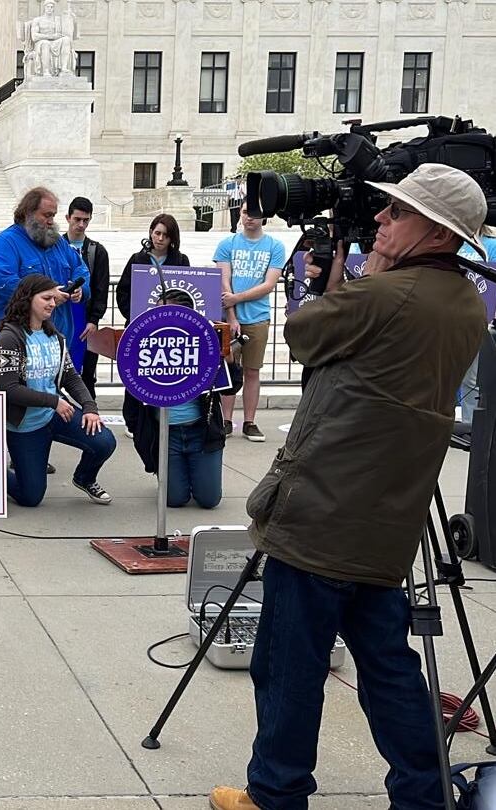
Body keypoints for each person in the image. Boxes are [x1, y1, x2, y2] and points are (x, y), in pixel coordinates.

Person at [210, 164, 491, 810]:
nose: (381, 222)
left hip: (320, 520)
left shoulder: (385, 295)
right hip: (383, 524)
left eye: (395, 213)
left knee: (287, 669)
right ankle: (422, 795)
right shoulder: (464, 306)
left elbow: (304, 334)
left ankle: (274, 796)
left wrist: (351, 272)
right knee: (389, 671)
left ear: (436, 232)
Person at [0, 274, 115, 508]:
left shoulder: (55, 337)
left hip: (56, 413)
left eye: (54, 298)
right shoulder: (9, 337)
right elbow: (9, 389)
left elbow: (71, 377)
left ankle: (84, 478)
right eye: (46, 298)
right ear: (28, 299)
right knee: (31, 497)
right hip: (26, 424)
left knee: (105, 441)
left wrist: (90, 408)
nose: (52, 303)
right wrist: (53, 401)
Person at [128, 289, 239, 509]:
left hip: (201, 433)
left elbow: (232, 387)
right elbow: (132, 401)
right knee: (174, 500)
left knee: (209, 500)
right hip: (166, 436)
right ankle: (172, 474)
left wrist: (230, 360)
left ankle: (194, 473)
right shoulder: (145, 343)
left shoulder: (205, 342)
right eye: (158, 312)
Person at [0, 187, 89, 355]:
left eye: (53, 215)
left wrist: (80, 289)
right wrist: (48, 295)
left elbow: (80, 268)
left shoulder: (57, 242)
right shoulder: (4, 245)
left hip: (51, 345)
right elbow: (4, 283)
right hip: (7, 347)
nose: (51, 221)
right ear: (28, 213)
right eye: (46, 215)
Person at [116, 213, 191, 437]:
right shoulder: (137, 259)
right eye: (156, 233)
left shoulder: (181, 261)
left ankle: (161, 416)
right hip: (141, 328)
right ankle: (133, 420)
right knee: (136, 375)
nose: (159, 238)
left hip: (169, 331)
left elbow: (187, 293)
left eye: (165, 235)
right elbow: (123, 292)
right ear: (150, 233)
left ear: (172, 239)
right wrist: (134, 315)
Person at [216, 210, 288, 442]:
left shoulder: (275, 246)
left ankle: (249, 421)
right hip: (230, 317)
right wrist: (232, 314)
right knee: (228, 369)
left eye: (256, 213)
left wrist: (237, 298)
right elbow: (223, 281)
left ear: (264, 217)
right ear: (240, 213)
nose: (250, 218)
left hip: (258, 316)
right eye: (246, 212)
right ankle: (226, 420)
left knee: (252, 370)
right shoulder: (227, 244)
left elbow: (269, 284)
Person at [65, 197, 110, 397]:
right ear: (68, 218)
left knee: (86, 376)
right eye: (77, 219)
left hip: (86, 324)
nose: (81, 225)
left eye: (86, 220)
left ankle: (89, 416)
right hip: (59, 321)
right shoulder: (53, 247)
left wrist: (94, 320)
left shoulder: (97, 251)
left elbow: (101, 288)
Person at [456, 225, 496, 423]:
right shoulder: (454, 243)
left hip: (480, 317)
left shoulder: (491, 245)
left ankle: (470, 424)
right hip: (451, 314)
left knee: (472, 379)